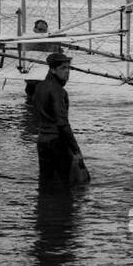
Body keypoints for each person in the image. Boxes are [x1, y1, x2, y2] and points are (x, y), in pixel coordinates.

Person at [33, 53, 90, 185]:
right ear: (53, 70)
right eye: (63, 68)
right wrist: (76, 150)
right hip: (57, 142)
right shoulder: (58, 91)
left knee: (46, 180)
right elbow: (62, 123)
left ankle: (45, 204)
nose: (67, 72)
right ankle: (63, 204)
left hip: (42, 140)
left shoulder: (39, 87)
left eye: (69, 68)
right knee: (65, 182)